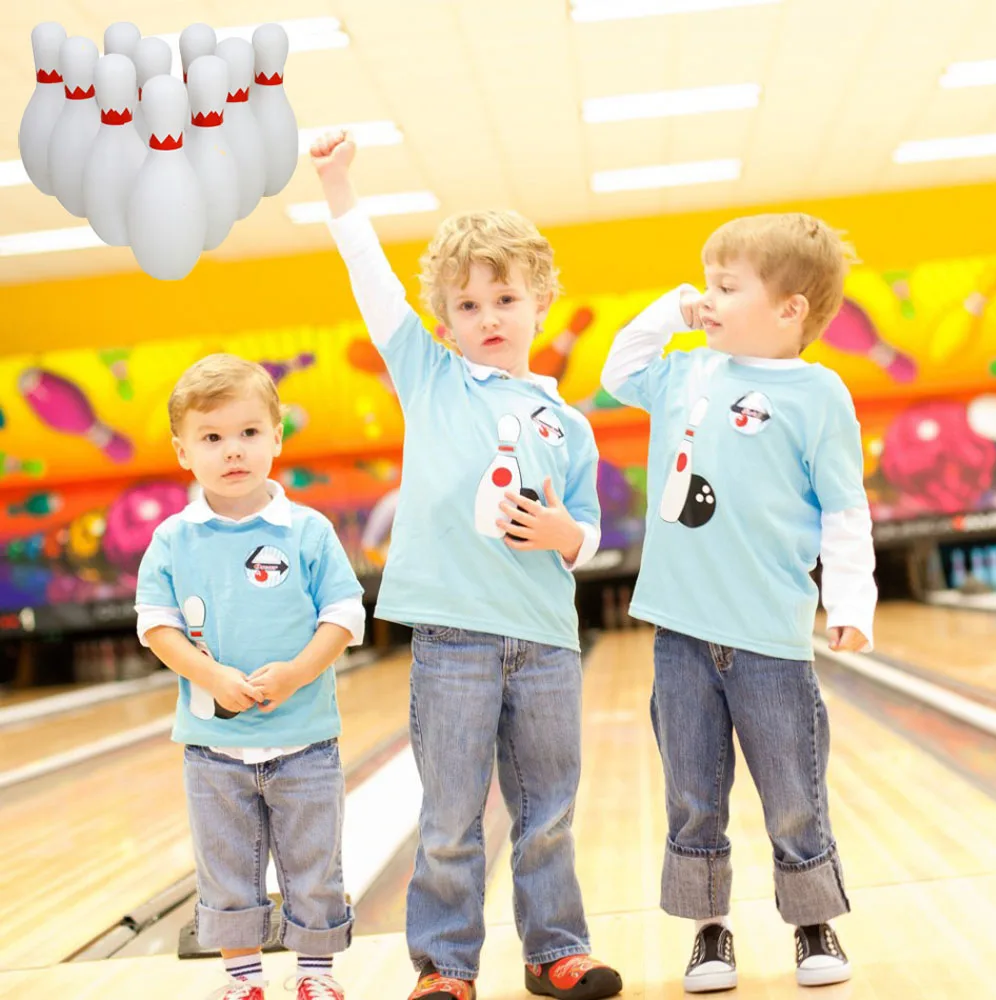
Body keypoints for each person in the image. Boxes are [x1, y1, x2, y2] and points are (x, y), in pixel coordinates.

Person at [311, 131, 622, 1000]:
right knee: (449, 817)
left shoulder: (572, 424)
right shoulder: (432, 378)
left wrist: (564, 534)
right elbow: (373, 287)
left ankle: (556, 951)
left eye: (505, 297)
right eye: (469, 303)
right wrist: (339, 188)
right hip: (453, 638)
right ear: (444, 320)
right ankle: (445, 970)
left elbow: (589, 532)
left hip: (547, 641)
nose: (489, 316)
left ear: (540, 304)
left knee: (548, 813)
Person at [600, 213, 877, 992]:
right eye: (705, 283)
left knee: (793, 793)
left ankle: (812, 919)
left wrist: (851, 597)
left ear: (790, 309)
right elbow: (620, 370)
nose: (707, 298)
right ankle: (710, 930)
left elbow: (844, 508)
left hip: (770, 637)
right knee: (693, 795)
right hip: (682, 631)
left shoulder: (820, 393)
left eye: (725, 286)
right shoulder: (688, 371)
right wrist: (669, 311)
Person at [135, 353, 366, 1000]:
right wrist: (208, 675)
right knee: (228, 871)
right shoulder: (173, 540)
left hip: (307, 741)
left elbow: (344, 615)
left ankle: (316, 976)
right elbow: (155, 626)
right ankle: (245, 981)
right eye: (211, 438)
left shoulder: (308, 531)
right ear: (184, 451)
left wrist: (296, 673)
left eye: (248, 433)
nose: (232, 450)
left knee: (315, 869)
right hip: (213, 749)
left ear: (276, 438)